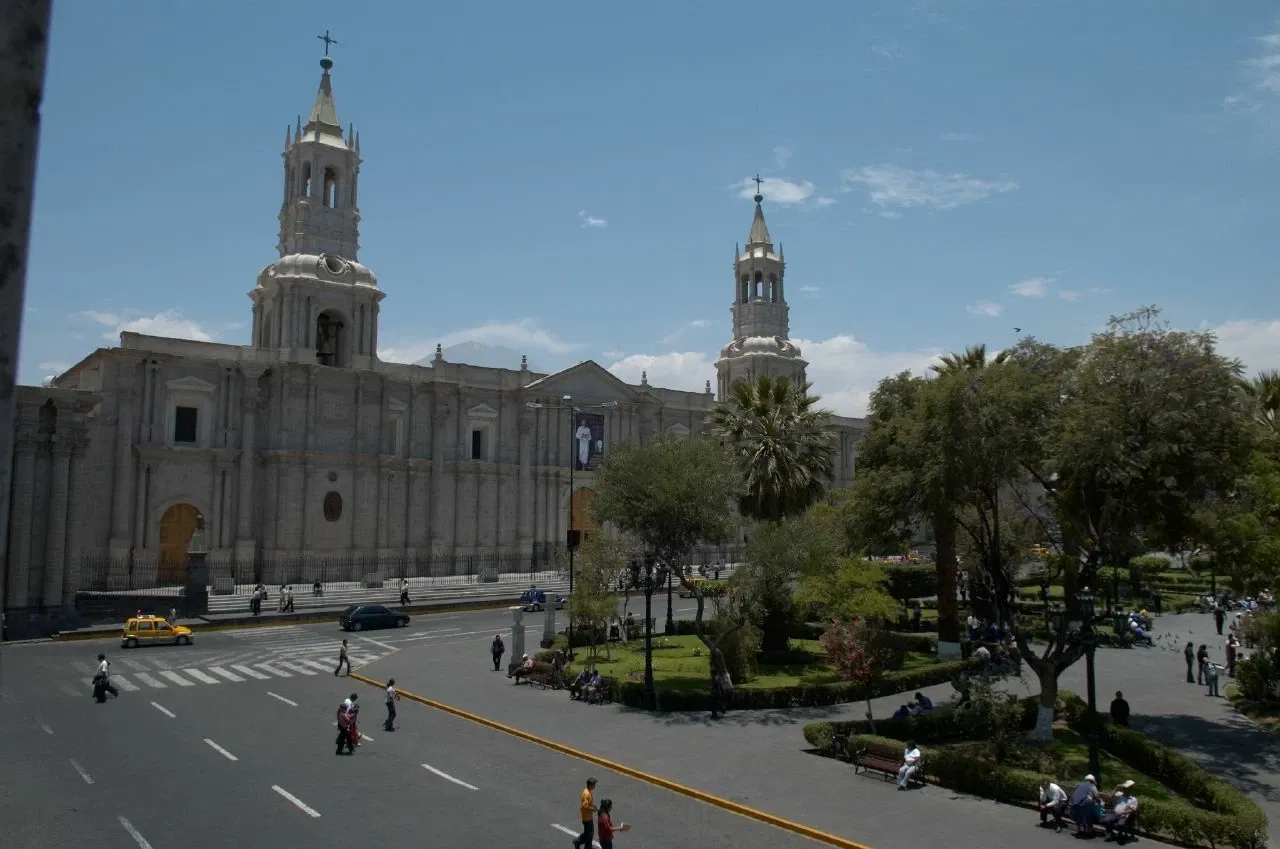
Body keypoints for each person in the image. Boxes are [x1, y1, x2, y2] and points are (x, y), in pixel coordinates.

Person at [572, 778, 598, 849]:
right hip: (587, 818)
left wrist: (593, 806)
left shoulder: (588, 791)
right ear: (590, 785)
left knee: (590, 833)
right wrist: (592, 809)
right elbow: (585, 806)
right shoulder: (586, 794)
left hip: (588, 816)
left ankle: (588, 847)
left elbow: (588, 804)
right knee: (588, 833)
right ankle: (577, 841)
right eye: (594, 784)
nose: (595, 786)